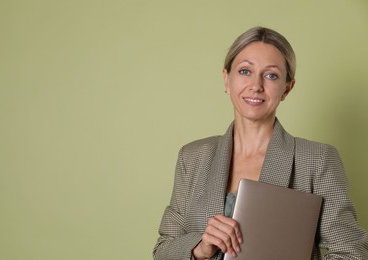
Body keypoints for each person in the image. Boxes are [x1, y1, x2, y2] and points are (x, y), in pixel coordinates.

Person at [153, 26, 368, 260]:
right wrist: (200, 247)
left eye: (271, 75)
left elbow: (352, 252)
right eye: (245, 71)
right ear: (227, 79)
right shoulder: (193, 156)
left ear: (287, 88)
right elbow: (163, 249)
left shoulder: (317, 159)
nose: (256, 85)